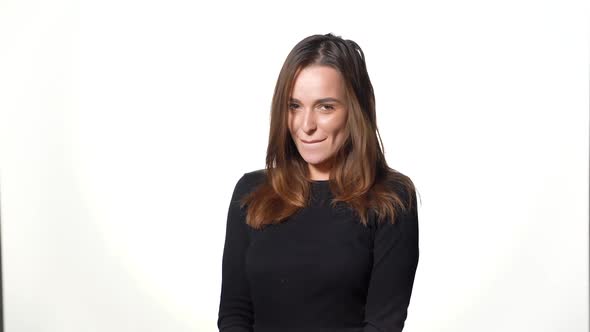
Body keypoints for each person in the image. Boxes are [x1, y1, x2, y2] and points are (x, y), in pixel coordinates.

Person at [217, 33, 420, 332]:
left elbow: (382, 325)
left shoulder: (391, 198)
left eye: (326, 107)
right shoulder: (251, 192)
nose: (306, 125)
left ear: (355, 110)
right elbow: (234, 314)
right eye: (295, 106)